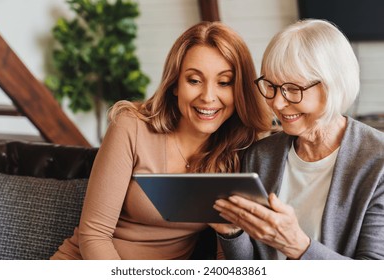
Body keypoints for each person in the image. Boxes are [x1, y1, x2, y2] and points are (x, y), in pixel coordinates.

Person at [50, 21, 271, 260]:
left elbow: (225, 257)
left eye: (224, 82)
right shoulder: (130, 126)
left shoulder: (239, 152)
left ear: (239, 90)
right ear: (175, 84)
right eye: (194, 80)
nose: (208, 97)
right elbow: (94, 234)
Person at [211, 19, 384, 260]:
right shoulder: (259, 156)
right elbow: (249, 266)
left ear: (332, 84)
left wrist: (298, 246)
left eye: (293, 88)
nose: (278, 104)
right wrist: (232, 233)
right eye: (271, 86)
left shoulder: (378, 162)